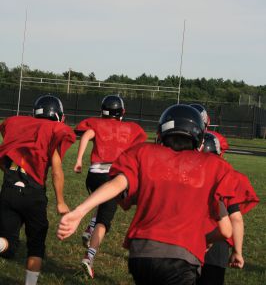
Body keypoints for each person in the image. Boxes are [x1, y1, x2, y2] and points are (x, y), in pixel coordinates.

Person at [58, 104, 241, 285]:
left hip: (142, 253)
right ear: (200, 138)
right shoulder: (212, 167)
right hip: (181, 256)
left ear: (161, 133)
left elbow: (117, 184)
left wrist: (80, 211)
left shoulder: (145, 154)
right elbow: (226, 230)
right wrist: (202, 240)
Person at [0, 94, 76, 285]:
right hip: (32, 194)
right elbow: (56, 172)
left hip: (9, 188)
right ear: (59, 116)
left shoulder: (19, 124)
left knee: (7, 245)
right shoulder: (53, 130)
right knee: (35, 246)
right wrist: (60, 201)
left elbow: (6, 157)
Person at [73, 94, 147, 279]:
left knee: (104, 201)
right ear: (122, 112)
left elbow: (86, 136)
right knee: (104, 221)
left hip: (93, 175)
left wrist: (79, 159)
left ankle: (90, 227)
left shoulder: (97, 124)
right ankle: (89, 257)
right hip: (113, 176)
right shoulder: (131, 128)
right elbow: (138, 148)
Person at [197, 132, 259, 285]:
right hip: (218, 240)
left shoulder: (185, 173)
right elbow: (236, 219)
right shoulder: (226, 176)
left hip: (186, 237)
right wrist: (237, 252)